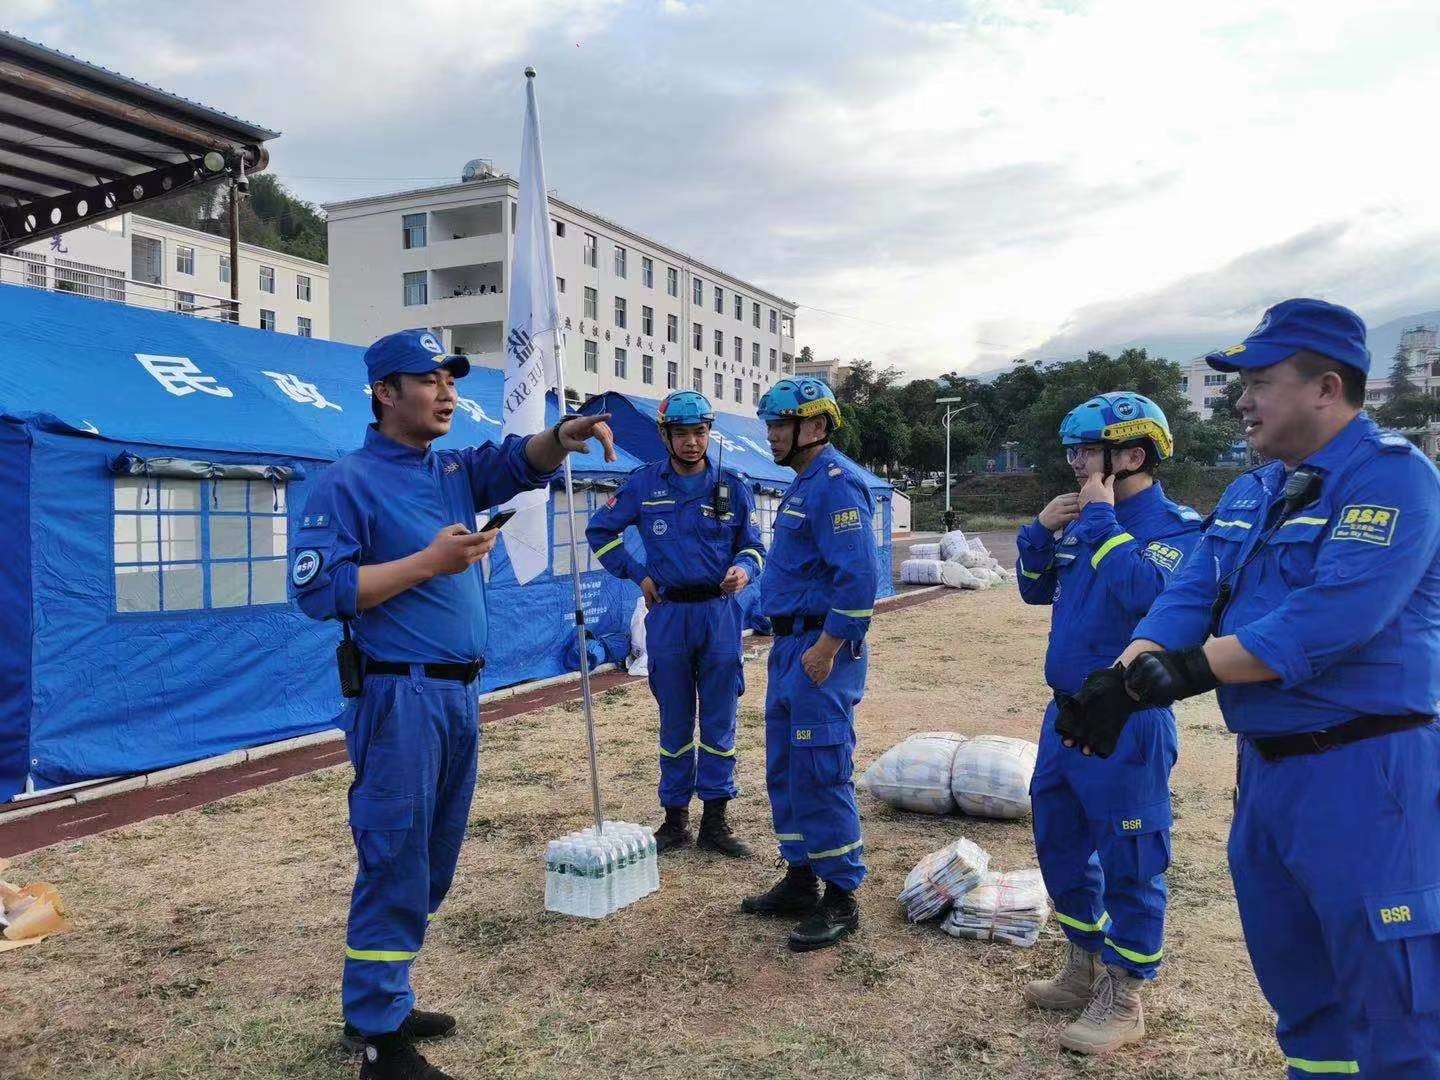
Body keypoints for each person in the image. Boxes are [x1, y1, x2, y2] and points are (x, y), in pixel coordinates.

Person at [1070, 299, 1440, 1077]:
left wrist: (1189, 673)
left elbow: (1333, 616)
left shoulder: (1396, 479)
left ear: (1326, 388)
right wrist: (1123, 676)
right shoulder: (1252, 491)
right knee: (1301, 991)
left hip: (1366, 776)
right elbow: (1187, 596)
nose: (1241, 399)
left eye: (1260, 381)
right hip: (1268, 772)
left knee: (1394, 1006)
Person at [290, 328, 613, 1080]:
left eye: (450, 380)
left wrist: (562, 436)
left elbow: (513, 462)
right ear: (384, 391)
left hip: (457, 695)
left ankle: (385, 996)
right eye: (428, 379)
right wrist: (429, 563)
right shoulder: (347, 482)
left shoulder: (448, 473)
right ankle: (376, 1037)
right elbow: (318, 591)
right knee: (394, 856)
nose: (446, 392)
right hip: (397, 695)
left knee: (430, 862)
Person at [1014, 392, 1203, 1054]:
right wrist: (1039, 531)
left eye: (1086, 451)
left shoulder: (1178, 531)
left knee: (1131, 854)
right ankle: (1081, 963)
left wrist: (1100, 522)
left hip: (1128, 720)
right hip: (1065, 711)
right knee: (1059, 840)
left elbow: (1151, 599)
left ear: (1132, 453)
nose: (1075, 465)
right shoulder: (1080, 518)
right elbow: (1035, 588)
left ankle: (1125, 993)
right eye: (1071, 451)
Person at [584, 390, 765, 857]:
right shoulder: (644, 484)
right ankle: (674, 818)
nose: (691, 441)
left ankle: (717, 821)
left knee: (721, 720)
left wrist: (744, 569)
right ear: (665, 435)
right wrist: (636, 573)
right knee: (675, 721)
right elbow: (599, 532)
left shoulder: (733, 485)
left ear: (709, 433)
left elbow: (755, 546)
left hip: (720, 617)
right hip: (667, 615)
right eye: (682, 433)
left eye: (699, 431)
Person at [740, 376, 878, 952]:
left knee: (821, 767)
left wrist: (827, 648)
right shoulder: (802, 484)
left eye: (780, 424)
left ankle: (841, 895)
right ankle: (800, 877)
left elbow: (860, 578)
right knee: (788, 767)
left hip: (822, 648)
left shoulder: (837, 486)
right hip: (790, 647)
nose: (771, 435)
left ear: (815, 426)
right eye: (770, 424)